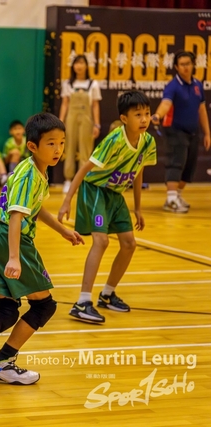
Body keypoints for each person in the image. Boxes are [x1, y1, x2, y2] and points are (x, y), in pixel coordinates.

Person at [0, 113, 83, 388]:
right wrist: (14, 258)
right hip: (11, 240)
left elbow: (35, 208)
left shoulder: (36, 169)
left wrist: (62, 230)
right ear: (33, 146)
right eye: (51, 143)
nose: (58, 149)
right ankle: (3, 362)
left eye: (61, 143)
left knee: (8, 309)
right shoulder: (29, 174)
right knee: (44, 306)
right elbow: (16, 215)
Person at [58, 91, 157, 323]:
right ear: (124, 118)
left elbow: (139, 172)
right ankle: (82, 302)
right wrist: (67, 200)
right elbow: (84, 169)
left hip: (115, 194)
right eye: (138, 115)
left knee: (129, 243)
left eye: (147, 113)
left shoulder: (148, 142)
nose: (144, 119)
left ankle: (107, 294)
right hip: (95, 191)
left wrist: (138, 208)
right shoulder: (114, 140)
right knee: (101, 241)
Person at [152, 50, 211, 213]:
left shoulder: (198, 85)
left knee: (189, 166)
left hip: (193, 132)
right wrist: (157, 115)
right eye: (182, 64)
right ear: (177, 67)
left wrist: (207, 133)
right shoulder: (173, 86)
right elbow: (166, 104)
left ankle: (176, 196)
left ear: (193, 65)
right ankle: (171, 200)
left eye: (188, 64)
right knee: (176, 162)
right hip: (174, 130)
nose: (186, 67)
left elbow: (201, 110)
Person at [59, 54, 102, 194]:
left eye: (81, 63)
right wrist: (60, 121)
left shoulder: (93, 84)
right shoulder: (68, 84)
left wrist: (97, 124)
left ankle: (84, 181)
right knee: (69, 147)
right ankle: (68, 180)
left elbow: (95, 105)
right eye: (76, 63)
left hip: (87, 118)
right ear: (73, 66)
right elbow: (65, 104)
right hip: (71, 118)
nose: (79, 66)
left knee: (86, 150)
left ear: (86, 66)